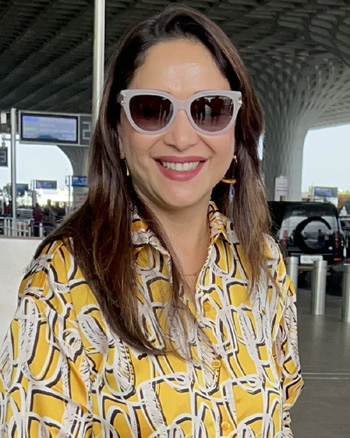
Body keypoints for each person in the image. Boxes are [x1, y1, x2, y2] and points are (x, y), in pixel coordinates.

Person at [0, 5, 303, 437]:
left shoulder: (264, 264)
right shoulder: (62, 285)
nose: (182, 137)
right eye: (150, 108)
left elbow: (281, 417)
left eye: (211, 109)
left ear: (237, 131)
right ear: (118, 134)